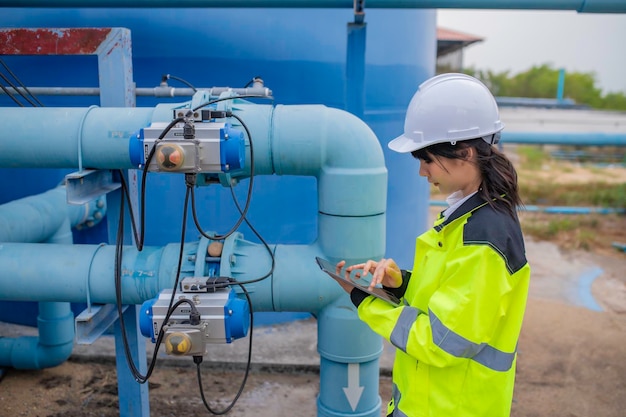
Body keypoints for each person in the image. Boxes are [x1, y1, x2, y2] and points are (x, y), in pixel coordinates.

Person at [335, 73, 531, 417]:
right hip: (433, 402)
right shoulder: (470, 219)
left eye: (426, 159)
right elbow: (451, 301)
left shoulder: (483, 239)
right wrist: (400, 285)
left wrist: (362, 299)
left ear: (465, 153)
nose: (422, 172)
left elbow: (440, 343)